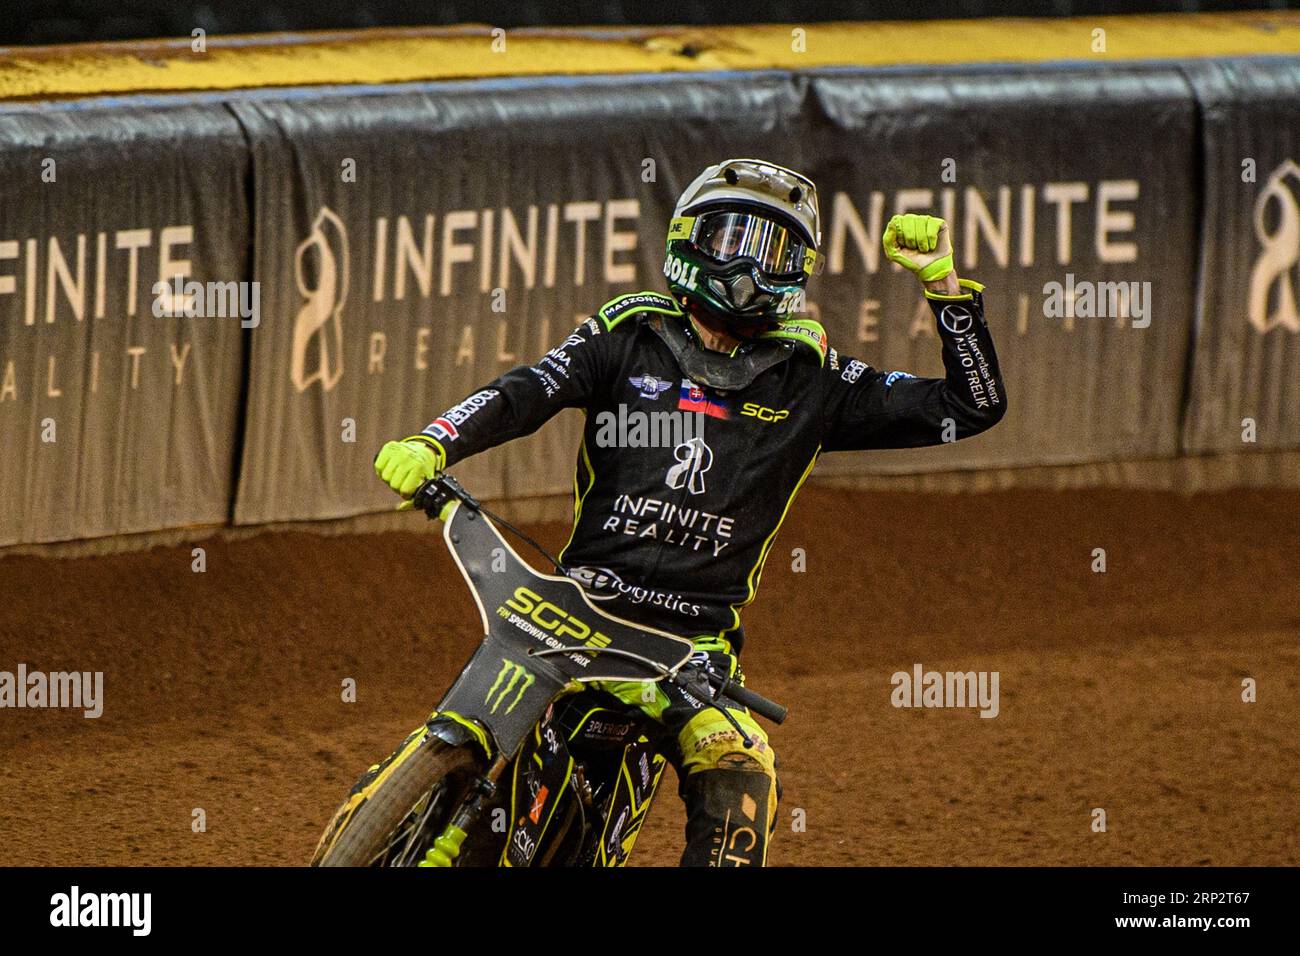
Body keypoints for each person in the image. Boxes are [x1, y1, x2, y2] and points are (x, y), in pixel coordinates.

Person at [374, 159, 1006, 866]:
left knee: (741, 769)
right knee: (478, 730)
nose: (749, 268)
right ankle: (387, 815)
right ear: (688, 241)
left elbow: (969, 406)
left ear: (799, 270)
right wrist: (436, 441)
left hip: (690, 652)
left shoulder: (814, 376)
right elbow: (527, 390)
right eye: (732, 239)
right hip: (570, 614)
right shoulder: (628, 329)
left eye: (774, 252)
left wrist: (944, 288)